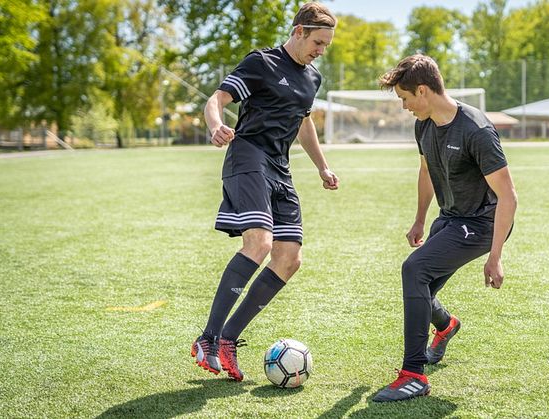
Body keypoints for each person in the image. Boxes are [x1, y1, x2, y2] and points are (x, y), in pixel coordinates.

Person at [192, 2, 339, 382]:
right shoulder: (262, 62)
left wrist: (322, 166)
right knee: (259, 243)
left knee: (290, 259)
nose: (321, 50)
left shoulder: (313, 78)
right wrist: (215, 125)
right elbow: (217, 99)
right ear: (298, 32)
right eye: (318, 42)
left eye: (326, 45)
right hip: (248, 156)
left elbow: (303, 123)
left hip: (280, 168)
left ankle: (228, 340)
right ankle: (206, 339)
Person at [372, 54, 517, 402]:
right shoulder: (423, 124)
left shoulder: (476, 129)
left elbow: (508, 197)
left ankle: (413, 375)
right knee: (423, 288)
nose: (404, 107)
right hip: (451, 217)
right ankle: (446, 325)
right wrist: (421, 218)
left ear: (422, 91)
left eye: (405, 99)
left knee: (414, 269)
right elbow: (426, 171)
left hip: (483, 223)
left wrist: (495, 256)